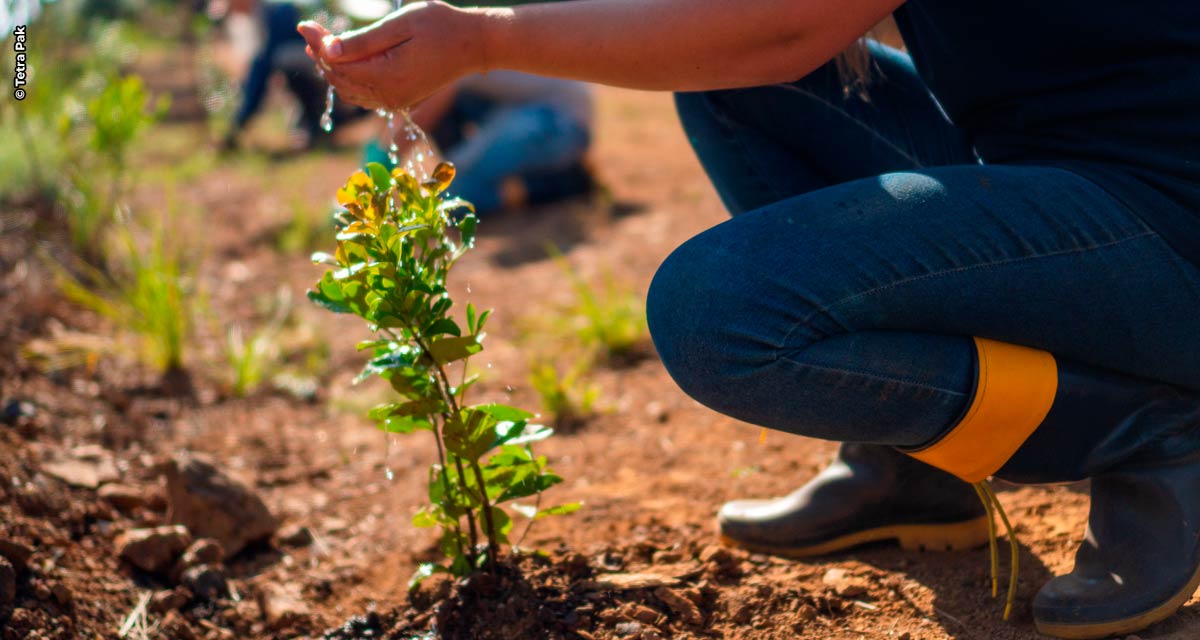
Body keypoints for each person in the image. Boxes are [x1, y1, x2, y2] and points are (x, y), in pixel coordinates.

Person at [297, 2, 1200, 637]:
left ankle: (1148, 428)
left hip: (1170, 218)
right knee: (732, 89)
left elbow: (780, 27)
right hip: (1061, 171)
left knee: (723, 314)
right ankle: (918, 467)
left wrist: (483, 38)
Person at [363, 71, 594, 214]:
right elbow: (402, 111)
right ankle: (489, 176)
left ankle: (562, 183)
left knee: (452, 200)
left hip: (558, 121)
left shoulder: (446, 48)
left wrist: (374, 173)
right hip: (528, 109)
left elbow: (420, 116)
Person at [212, 0, 363, 150]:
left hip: (318, 63)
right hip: (312, 64)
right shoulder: (256, 18)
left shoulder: (275, 13)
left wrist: (240, 121)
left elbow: (262, 68)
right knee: (282, 64)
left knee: (283, 61)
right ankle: (314, 123)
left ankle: (323, 120)